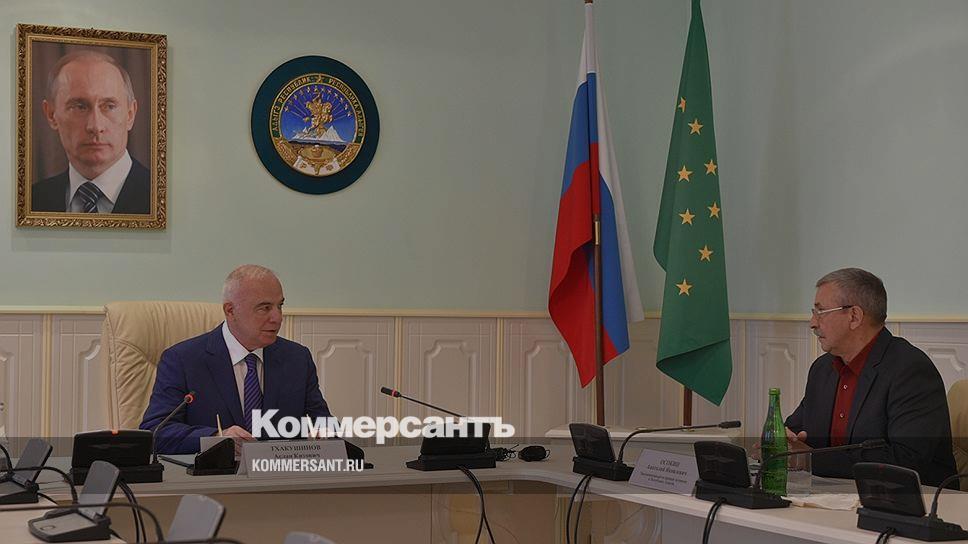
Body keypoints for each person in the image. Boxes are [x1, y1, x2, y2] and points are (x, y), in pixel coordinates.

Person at [785, 268, 957, 486]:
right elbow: (795, 431)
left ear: (854, 316)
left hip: (907, 500)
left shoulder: (910, 369)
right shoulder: (822, 369)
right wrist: (780, 442)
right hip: (829, 495)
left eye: (821, 311)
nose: (813, 322)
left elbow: (905, 460)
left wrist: (809, 459)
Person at [140, 265, 332, 454]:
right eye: (265, 308)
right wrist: (217, 437)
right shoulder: (183, 360)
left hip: (280, 472)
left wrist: (324, 435)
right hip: (215, 473)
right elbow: (157, 432)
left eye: (279, 306)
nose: (277, 317)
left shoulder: (297, 358)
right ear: (230, 311)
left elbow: (325, 424)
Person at [31, 50, 150, 214]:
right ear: (51, 114)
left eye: (109, 106)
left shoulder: (167, 197)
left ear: (130, 115)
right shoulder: (31, 201)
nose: (95, 126)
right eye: (79, 107)